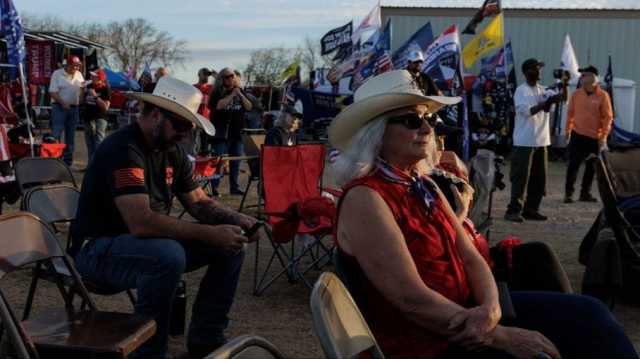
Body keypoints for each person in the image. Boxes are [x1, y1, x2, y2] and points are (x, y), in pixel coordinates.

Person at [329, 69, 637, 359]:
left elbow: (470, 256)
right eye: (411, 120)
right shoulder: (365, 199)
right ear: (377, 134)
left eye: (429, 118)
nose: (427, 128)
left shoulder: (422, 184)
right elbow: (410, 299)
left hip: (468, 313)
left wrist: (491, 310)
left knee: (589, 314)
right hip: (425, 341)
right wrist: (499, 336)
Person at [70, 76, 260, 359]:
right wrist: (210, 233)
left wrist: (237, 221)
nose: (185, 135)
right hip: (96, 249)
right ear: (156, 115)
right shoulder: (123, 148)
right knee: (167, 255)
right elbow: (141, 222)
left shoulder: (171, 148)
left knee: (230, 245)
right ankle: (149, 352)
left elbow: (199, 202)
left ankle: (206, 340)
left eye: (189, 127)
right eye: (181, 125)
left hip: (141, 245)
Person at [504, 59, 566, 223]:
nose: (538, 71)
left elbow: (561, 98)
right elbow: (527, 111)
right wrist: (545, 102)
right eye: (535, 68)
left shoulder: (544, 89)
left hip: (542, 141)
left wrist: (564, 83)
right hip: (524, 142)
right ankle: (513, 210)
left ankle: (531, 209)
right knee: (521, 177)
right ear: (526, 72)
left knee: (539, 178)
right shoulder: (521, 91)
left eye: (539, 68)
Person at [564, 65, 613, 203]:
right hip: (577, 135)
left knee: (591, 167)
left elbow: (608, 118)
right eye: (582, 75)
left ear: (593, 78)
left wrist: (603, 137)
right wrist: (567, 130)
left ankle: (585, 193)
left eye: (584, 75)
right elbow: (570, 114)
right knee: (573, 165)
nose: (582, 77)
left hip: (594, 138)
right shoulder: (576, 94)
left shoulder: (603, 96)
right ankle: (568, 194)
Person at [208, 68, 252, 196]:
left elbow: (249, 107)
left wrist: (240, 95)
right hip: (221, 133)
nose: (230, 79)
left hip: (237, 133)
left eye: (232, 76)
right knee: (218, 162)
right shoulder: (216, 92)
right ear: (221, 78)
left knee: (236, 162)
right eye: (227, 77)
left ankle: (234, 187)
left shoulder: (240, 91)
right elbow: (218, 105)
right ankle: (214, 189)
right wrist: (232, 95)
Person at [49, 55, 85, 166]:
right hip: (58, 107)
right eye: (75, 66)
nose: (77, 68)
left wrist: (83, 92)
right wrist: (63, 103)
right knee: (56, 134)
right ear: (68, 65)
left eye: (78, 66)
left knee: (71, 137)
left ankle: (68, 162)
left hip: (74, 109)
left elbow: (81, 92)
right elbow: (52, 92)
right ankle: (55, 161)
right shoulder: (57, 74)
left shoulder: (79, 74)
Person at [82, 68, 112, 162]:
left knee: (99, 141)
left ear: (100, 78)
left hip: (100, 117)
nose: (91, 77)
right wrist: (81, 90)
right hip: (88, 117)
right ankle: (90, 165)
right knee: (89, 142)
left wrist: (95, 96)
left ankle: (98, 165)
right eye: (91, 76)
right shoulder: (89, 86)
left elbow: (105, 107)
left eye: (94, 76)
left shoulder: (105, 88)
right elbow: (82, 100)